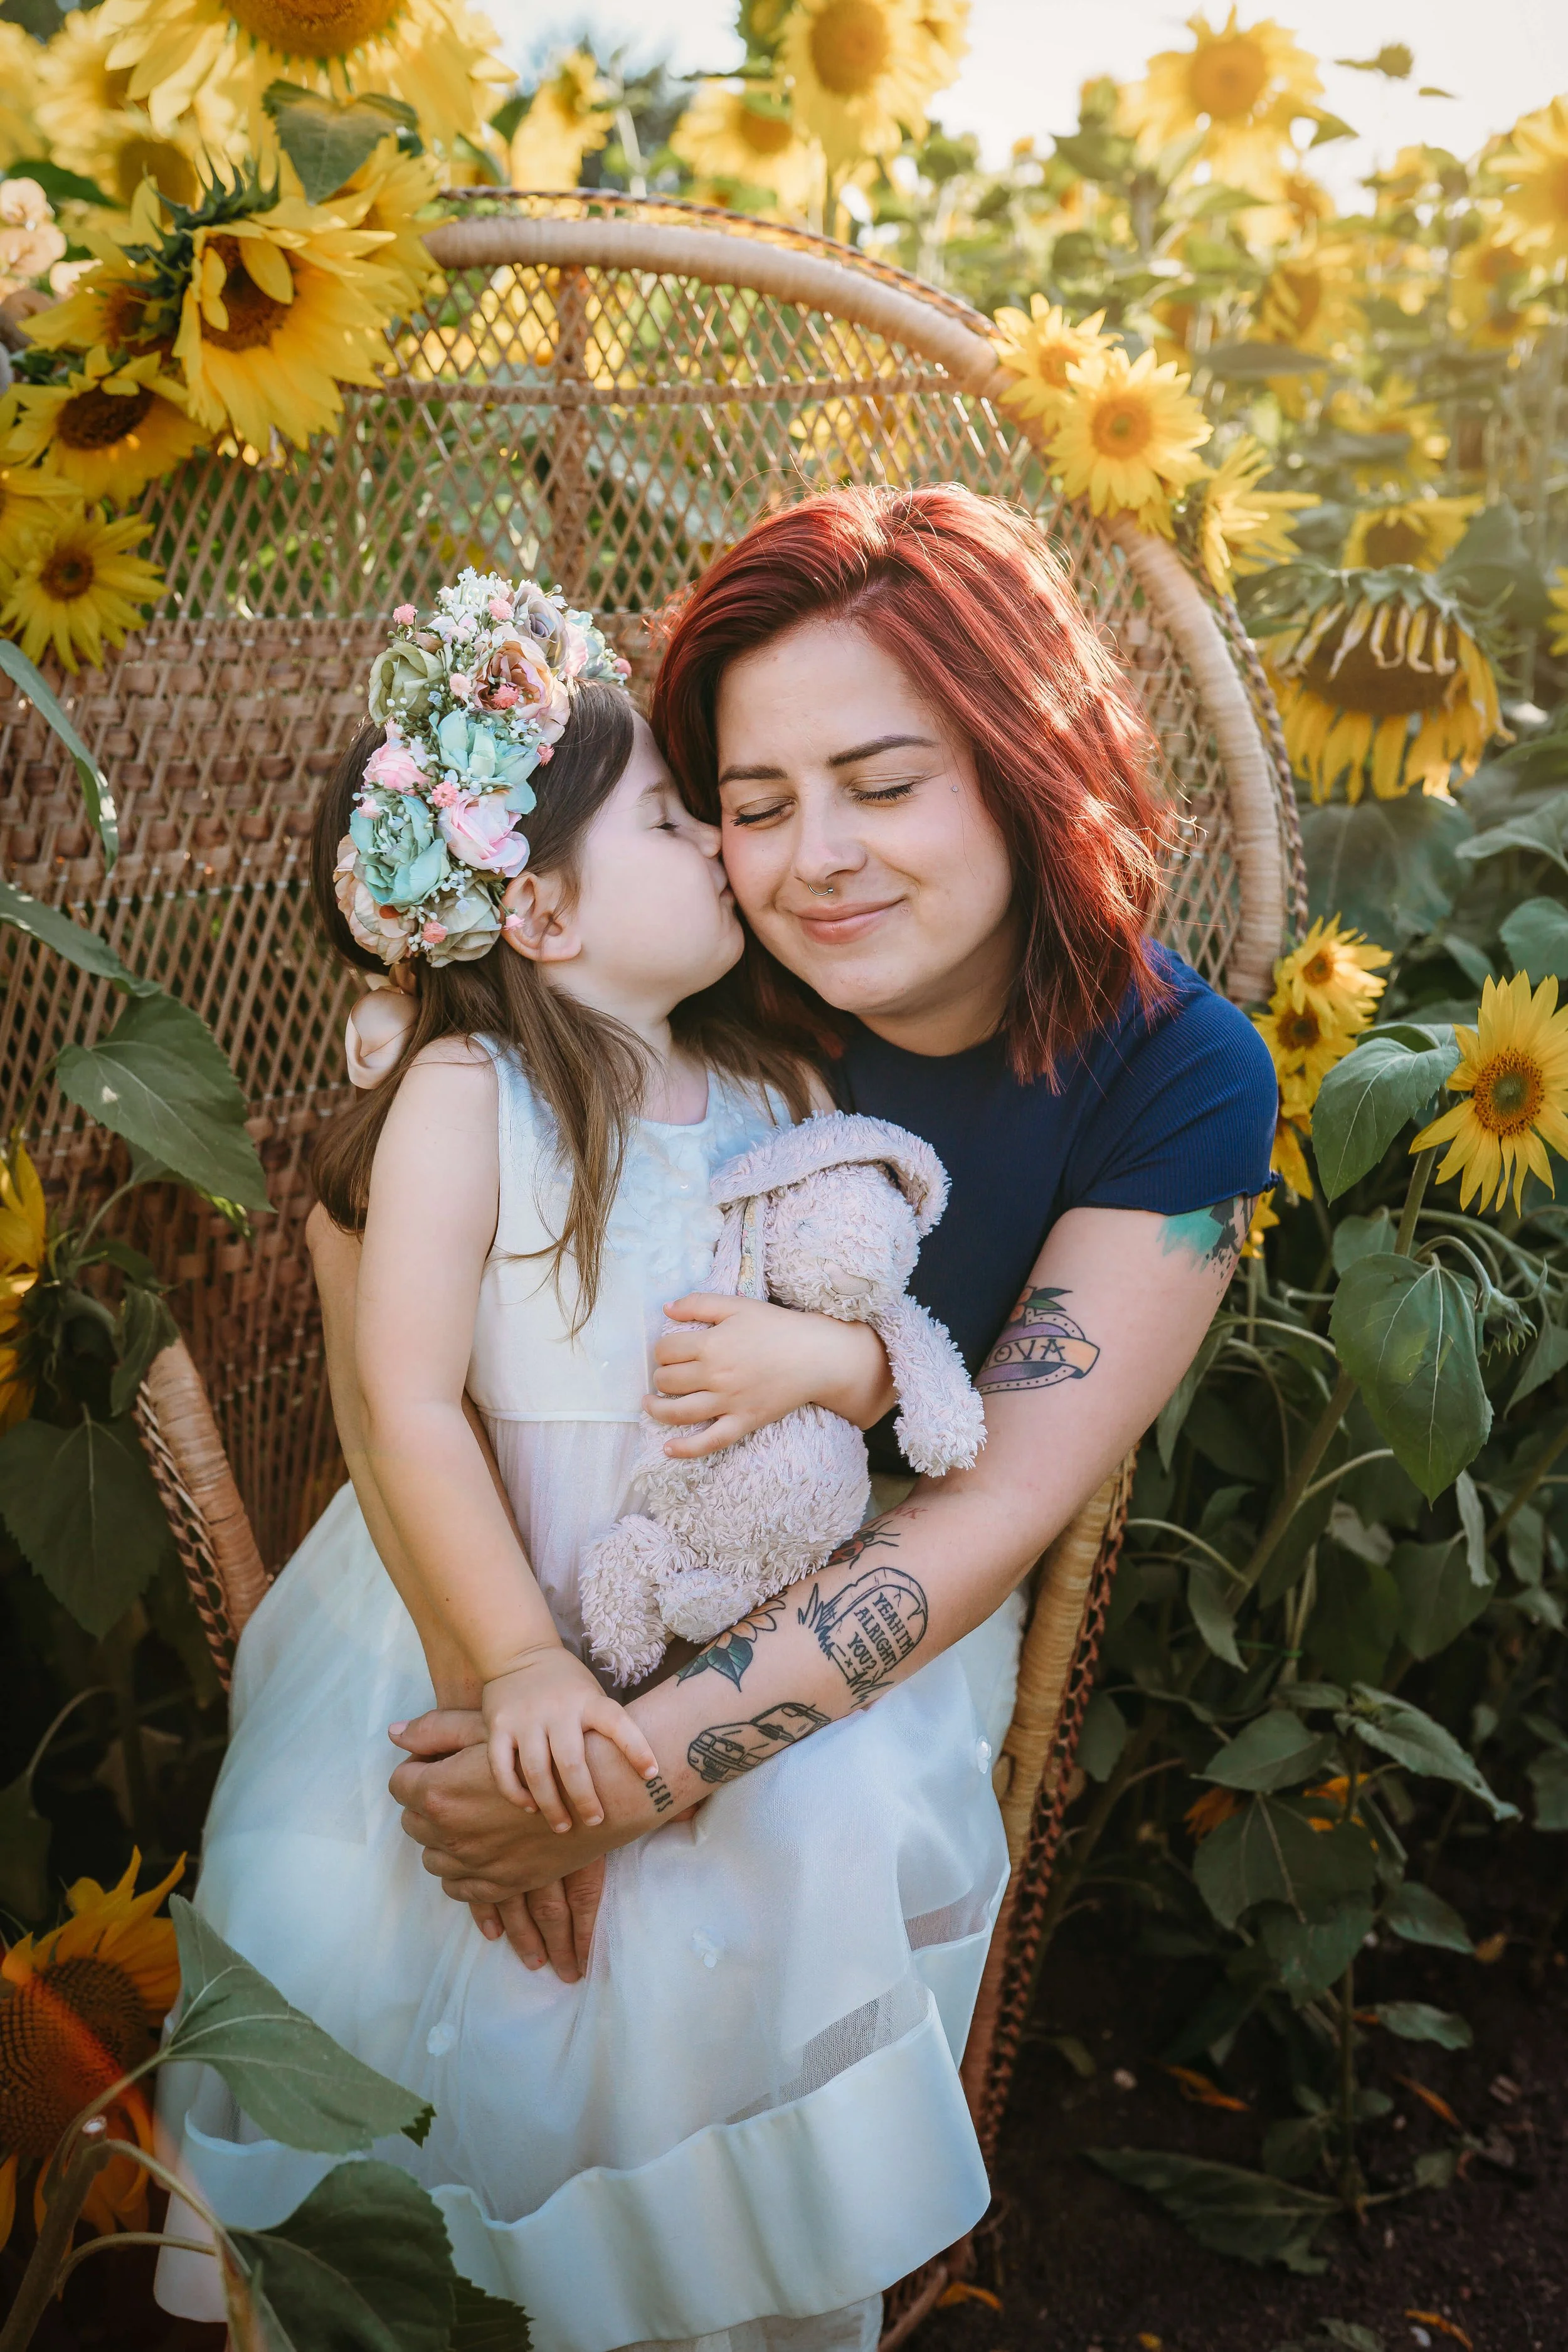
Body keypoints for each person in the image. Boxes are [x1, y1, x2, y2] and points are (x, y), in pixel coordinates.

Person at [154, 562, 1025, 2352]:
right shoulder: (473, 1100)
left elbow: (861, 1333)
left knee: (774, 1878)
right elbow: (399, 1403)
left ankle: (705, 2294)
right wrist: (518, 1656)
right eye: (671, 813)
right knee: (431, 1927)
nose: (721, 838)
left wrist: (845, 1359)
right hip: (489, 1601)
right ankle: (474, 2293)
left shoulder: (778, 1092)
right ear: (539, 906)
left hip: (730, 1610)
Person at [381, 485, 1278, 2069]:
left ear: (1021, 766)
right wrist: (506, 1679)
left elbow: (992, 1495)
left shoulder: (1174, 1078)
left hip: (868, 1601)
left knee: (798, 1861)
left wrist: (633, 1773)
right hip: (540, 1569)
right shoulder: (695, 979)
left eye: (879, 785)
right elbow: (359, 1236)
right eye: (755, 802)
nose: (815, 864)